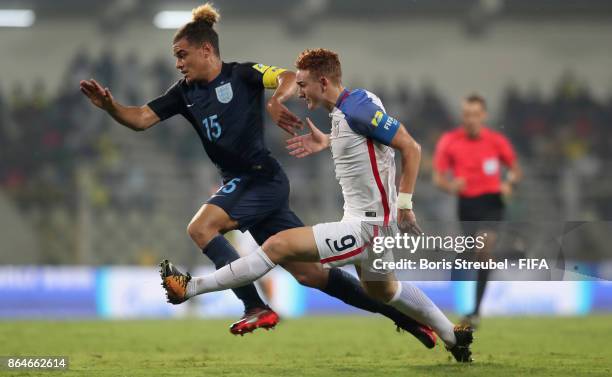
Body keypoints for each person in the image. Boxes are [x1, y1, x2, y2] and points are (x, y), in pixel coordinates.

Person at [80, 3, 434, 346]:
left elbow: (289, 76)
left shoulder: (243, 75)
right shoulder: (183, 94)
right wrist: (110, 107)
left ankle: (255, 306)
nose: (178, 64)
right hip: (243, 185)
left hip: (261, 179)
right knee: (310, 274)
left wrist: (275, 100)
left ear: (206, 50)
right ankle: (410, 320)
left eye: (182, 55)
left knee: (200, 227)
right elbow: (141, 119)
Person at [160, 48, 474, 362]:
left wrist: (405, 204)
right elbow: (368, 143)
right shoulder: (352, 107)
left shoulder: (358, 111)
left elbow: (410, 146)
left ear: (323, 82)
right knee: (385, 291)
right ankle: (452, 336)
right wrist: (327, 140)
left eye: (303, 84)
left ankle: (189, 288)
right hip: (366, 221)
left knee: (277, 245)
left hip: (369, 226)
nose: (299, 92)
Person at [432, 94, 522, 328]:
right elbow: (438, 178)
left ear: (484, 116)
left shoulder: (496, 141)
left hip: (493, 202)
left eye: (475, 114)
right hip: (466, 205)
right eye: (466, 115)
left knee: (483, 247)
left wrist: (509, 183)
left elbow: (514, 170)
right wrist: (452, 186)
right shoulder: (450, 141)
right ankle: (477, 298)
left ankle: (475, 311)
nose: (470, 119)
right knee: (474, 253)